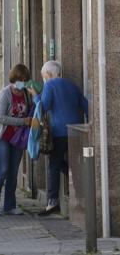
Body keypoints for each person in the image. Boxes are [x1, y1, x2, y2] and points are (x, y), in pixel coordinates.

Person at [31, 60, 88, 216]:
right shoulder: (72, 85)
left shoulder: (50, 85)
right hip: (76, 131)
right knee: (74, 164)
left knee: (54, 165)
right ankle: (80, 197)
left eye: (44, 76)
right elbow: (85, 104)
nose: (44, 79)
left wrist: (36, 97)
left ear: (48, 74)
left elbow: (44, 107)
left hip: (58, 132)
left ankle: (52, 201)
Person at [0, 64, 33, 216]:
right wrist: (23, 121)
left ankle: (10, 205)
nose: (22, 83)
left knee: (13, 172)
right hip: (2, 137)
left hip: (17, 138)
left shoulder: (26, 94)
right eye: (19, 80)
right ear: (13, 79)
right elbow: (0, 118)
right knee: (3, 169)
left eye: (25, 80)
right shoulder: (5, 94)